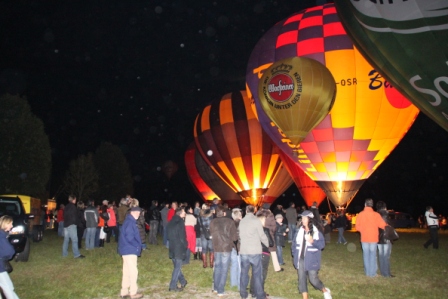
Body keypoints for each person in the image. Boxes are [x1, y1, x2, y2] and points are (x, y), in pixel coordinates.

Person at [292, 210, 332, 299]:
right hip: (300, 258)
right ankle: (305, 297)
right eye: (302, 218)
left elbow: (322, 245)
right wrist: (294, 254)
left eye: (305, 218)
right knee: (301, 279)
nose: (303, 220)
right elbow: (294, 243)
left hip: (312, 259)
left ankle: (324, 290)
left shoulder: (316, 231)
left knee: (313, 279)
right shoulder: (299, 230)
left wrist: (312, 241)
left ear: (310, 219)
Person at [238, 205, 269, 299]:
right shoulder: (256, 221)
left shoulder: (242, 221)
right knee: (257, 274)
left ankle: (243, 294)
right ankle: (259, 295)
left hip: (244, 251)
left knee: (244, 273)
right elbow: (262, 235)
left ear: (246, 211)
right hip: (255, 251)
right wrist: (268, 244)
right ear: (254, 211)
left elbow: (239, 235)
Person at [210, 205, 238, 296]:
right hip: (226, 247)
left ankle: (215, 288)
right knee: (224, 269)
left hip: (217, 247)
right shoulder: (230, 222)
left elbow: (211, 234)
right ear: (224, 213)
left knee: (217, 267)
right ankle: (220, 290)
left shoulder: (213, 222)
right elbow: (234, 237)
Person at [356, 198, 386, 277]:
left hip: (364, 238)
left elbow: (357, 227)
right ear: (372, 205)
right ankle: (372, 273)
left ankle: (367, 272)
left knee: (366, 254)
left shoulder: (360, 214)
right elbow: (382, 225)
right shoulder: (376, 215)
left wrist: (363, 230)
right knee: (372, 255)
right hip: (373, 238)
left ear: (365, 204)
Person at [118, 207, 143, 299]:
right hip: (130, 250)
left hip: (126, 249)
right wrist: (137, 246)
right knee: (133, 271)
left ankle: (124, 291)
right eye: (138, 213)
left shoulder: (128, 221)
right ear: (133, 212)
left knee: (126, 271)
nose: (139, 215)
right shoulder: (130, 222)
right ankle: (133, 292)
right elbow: (130, 238)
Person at [250, 214, 273, 298]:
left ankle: (253, 291)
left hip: (254, 253)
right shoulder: (265, 230)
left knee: (255, 272)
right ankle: (260, 292)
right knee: (262, 273)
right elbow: (270, 243)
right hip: (263, 253)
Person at [166, 207, 188, 292]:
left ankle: (183, 281)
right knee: (177, 267)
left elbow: (167, 234)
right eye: (184, 212)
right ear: (180, 213)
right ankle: (173, 286)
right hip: (178, 246)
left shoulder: (171, 221)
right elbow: (182, 235)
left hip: (172, 245)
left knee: (176, 265)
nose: (185, 213)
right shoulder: (180, 221)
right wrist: (185, 245)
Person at [0, 215, 20, 299]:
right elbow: (9, 251)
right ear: (5, 224)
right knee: (8, 287)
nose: (12, 226)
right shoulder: (1, 235)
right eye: (10, 223)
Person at [376, 201, 394, 277]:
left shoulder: (376, 214)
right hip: (386, 237)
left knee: (381, 255)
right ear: (384, 207)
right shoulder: (386, 214)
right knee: (386, 256)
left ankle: (383, 272)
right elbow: (388, 225)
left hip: (378, 237)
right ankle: (387, 273)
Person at [230, 208, 242, 290]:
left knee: (234, 265)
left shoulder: (230, 223)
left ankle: (233, 283)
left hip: (231, 247)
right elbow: (239, 237)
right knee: (240, 266)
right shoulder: (241, 224)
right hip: (238, 247)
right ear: (239, 216)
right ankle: (239, 284)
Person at [199, 204, 214, 268]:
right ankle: (211, 263)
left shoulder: (200, 216)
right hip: (211, 232)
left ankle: (204, 264)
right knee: (211, 248)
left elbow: (200, 224)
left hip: (203, 232)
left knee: (204, 248)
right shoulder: (211, 215)